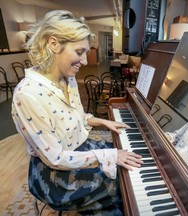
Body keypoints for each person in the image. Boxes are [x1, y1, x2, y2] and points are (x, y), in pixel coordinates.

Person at [11, 10, 143, 215]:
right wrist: (109, 155)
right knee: (125, 186)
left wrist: (103, 122)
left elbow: (77, 117)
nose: (84, 61)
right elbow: (55, 158)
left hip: (79, 148)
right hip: (55, 176)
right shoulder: (27, 95)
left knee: (131, 163)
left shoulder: (68, 77)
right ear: (53, 44)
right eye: (79, 52)